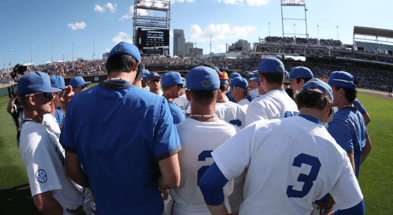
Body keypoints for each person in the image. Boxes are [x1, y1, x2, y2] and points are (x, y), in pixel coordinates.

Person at [199, 78, 365, 215]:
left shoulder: (260, 129)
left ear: (299, 105)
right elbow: (355, 210)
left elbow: (209, 183)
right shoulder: (338, 153)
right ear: (328, 108)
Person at [60, 41, 181, 215]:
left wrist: (101, 186)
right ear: (136, 65)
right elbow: (172, 179)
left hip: (103, 207)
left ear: (107, 67)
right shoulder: (156, 104)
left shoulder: (76, 103)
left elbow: (72, 170)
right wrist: (153, 184)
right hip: (146, 207)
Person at [18, 72, 87, 215]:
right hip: (72, 209)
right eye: (48, 95)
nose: (53, 97)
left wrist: (66, 103)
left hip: (81, 201)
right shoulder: (32, 138)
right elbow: (42, 200)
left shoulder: (45, 120)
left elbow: (57, 113)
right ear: (32, 99)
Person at [169, 66, 236, 215]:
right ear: (218, 93)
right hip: (222, 208)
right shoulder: (233, 133)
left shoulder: (175, 132)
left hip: (185, 209)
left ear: (188, 95)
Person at [327, 71, 371, 178]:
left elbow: (347, 168)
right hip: (350, 187)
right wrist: (356, 169)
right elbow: (368, 147)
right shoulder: (358, 115)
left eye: (330, 88)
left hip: (339, 192)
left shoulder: (340, 121)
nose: (327, 93)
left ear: (340, 92)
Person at [245, 57, 298, 126]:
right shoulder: (292, 103)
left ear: (261, 77)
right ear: (283, 78)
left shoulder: (258, 104)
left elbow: (254, 135)